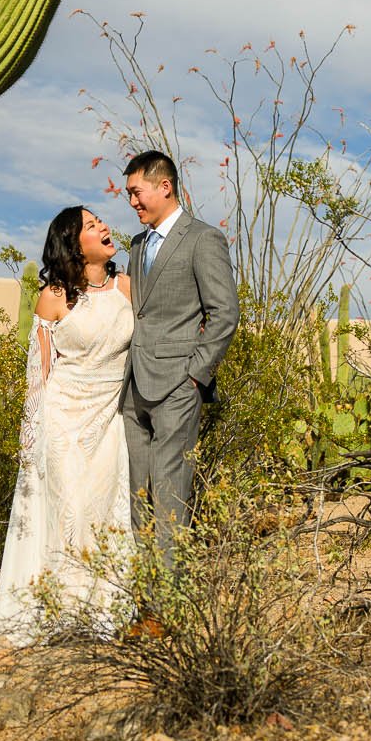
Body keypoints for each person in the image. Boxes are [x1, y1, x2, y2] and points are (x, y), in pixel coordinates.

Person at [0, 205, 136, 650]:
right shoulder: (53, 297)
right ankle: (65, 608)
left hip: (110, 417)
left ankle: (105, 609)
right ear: (72, 242)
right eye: (90, 225)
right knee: (69, 511)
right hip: (63, 419)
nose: (102, 226)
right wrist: (31, 437)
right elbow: (39, 373)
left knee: (102, 511)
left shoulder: (127, 287)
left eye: (99, 220)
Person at [118, 149, 239, 568]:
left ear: (164, 187)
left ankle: (169, 605)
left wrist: (195, 375)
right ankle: (143, 596)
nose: (131, 202)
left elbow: (225, 311)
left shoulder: (203, 239)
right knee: (138, 494)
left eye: (136, 192)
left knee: (170, 495)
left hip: (177, 386)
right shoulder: (136, 244)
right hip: (133, 387)